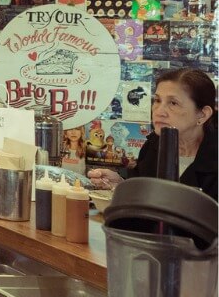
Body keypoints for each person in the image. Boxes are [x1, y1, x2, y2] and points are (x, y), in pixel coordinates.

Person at [88, 68, 217, 200]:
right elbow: (143, 194)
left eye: (173, 103)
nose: (159, 111)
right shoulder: (154, 144)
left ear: (203, 114)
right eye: (157, 100)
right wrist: (121, 184)